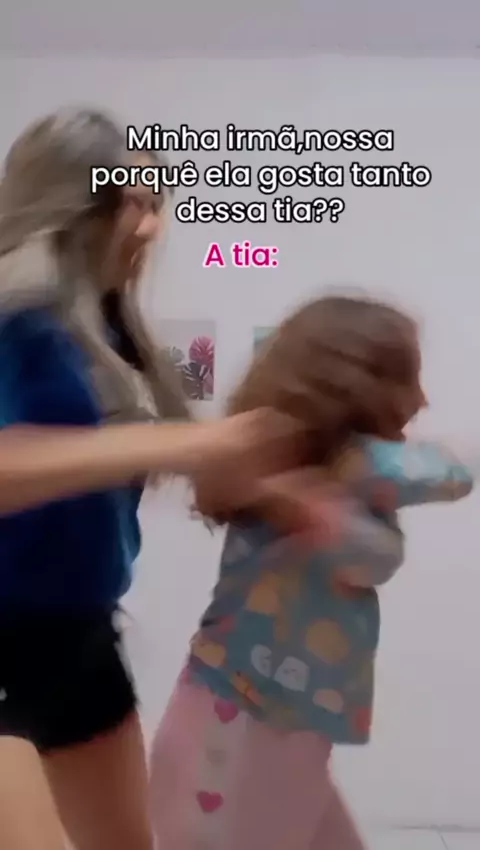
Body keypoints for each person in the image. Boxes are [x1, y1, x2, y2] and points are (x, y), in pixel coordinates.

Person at [0, 108, 310, 850]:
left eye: (154, 204)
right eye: (130, 204)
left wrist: (262, 487)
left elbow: (98, 481)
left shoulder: (107, 336)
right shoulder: (16, 324)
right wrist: (192, 443)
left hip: (81, 641)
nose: (150, 227)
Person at [149, 295, 473, 850]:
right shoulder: (294, 470)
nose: (421, 399)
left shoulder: (337, 472)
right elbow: (433, 491)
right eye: (407, 379)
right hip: (241, 732)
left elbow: (428, 496)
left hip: (268, 728)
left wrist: (334, 495)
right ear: (356, 387)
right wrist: (316, 508)